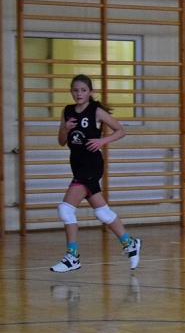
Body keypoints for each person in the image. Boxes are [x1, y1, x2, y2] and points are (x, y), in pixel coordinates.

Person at [50, 74, 142, 273]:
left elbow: (121, 130)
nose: (79, 93)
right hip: (77, 164)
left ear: (90, 92)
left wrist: (102, 141)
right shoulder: (67, 111)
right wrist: (65, 129)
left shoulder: (96, 111)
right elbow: (61, 141)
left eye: (83, 90)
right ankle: (130, 243)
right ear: (71, 91)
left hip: (92, 164)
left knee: (65, 210)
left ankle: (72, 257)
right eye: (75, 90)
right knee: (102, 212)